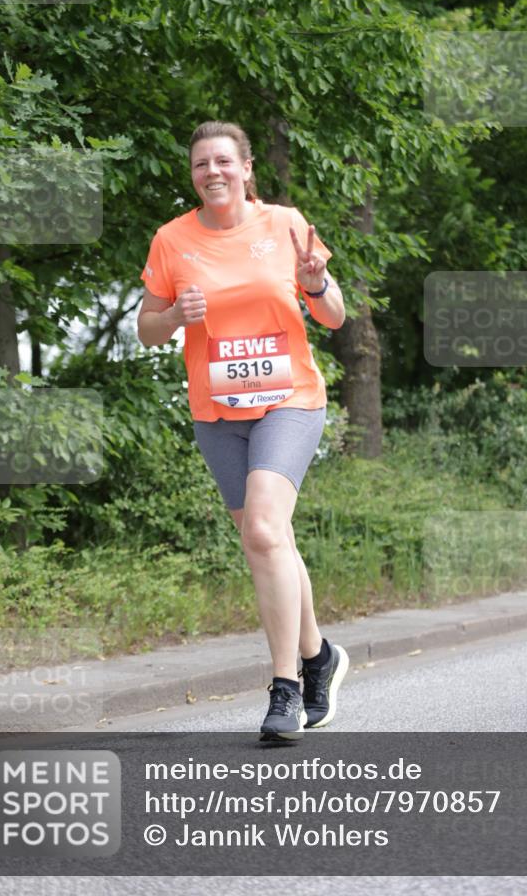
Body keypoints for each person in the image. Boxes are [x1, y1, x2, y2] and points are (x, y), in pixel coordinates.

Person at [137, 120, 349, 741]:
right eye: (202, 164)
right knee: (268, 539)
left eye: (224, 161)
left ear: (247, 169)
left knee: (262, 527)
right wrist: (175, 313)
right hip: (217, 415)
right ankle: (319, 656)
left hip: (289, 400)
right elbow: (148, 328)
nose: (213, 172)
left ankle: (285, 689)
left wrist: (316, 282)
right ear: (193, 176)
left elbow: (333, 316)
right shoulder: (172, 240)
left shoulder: (285, 224)